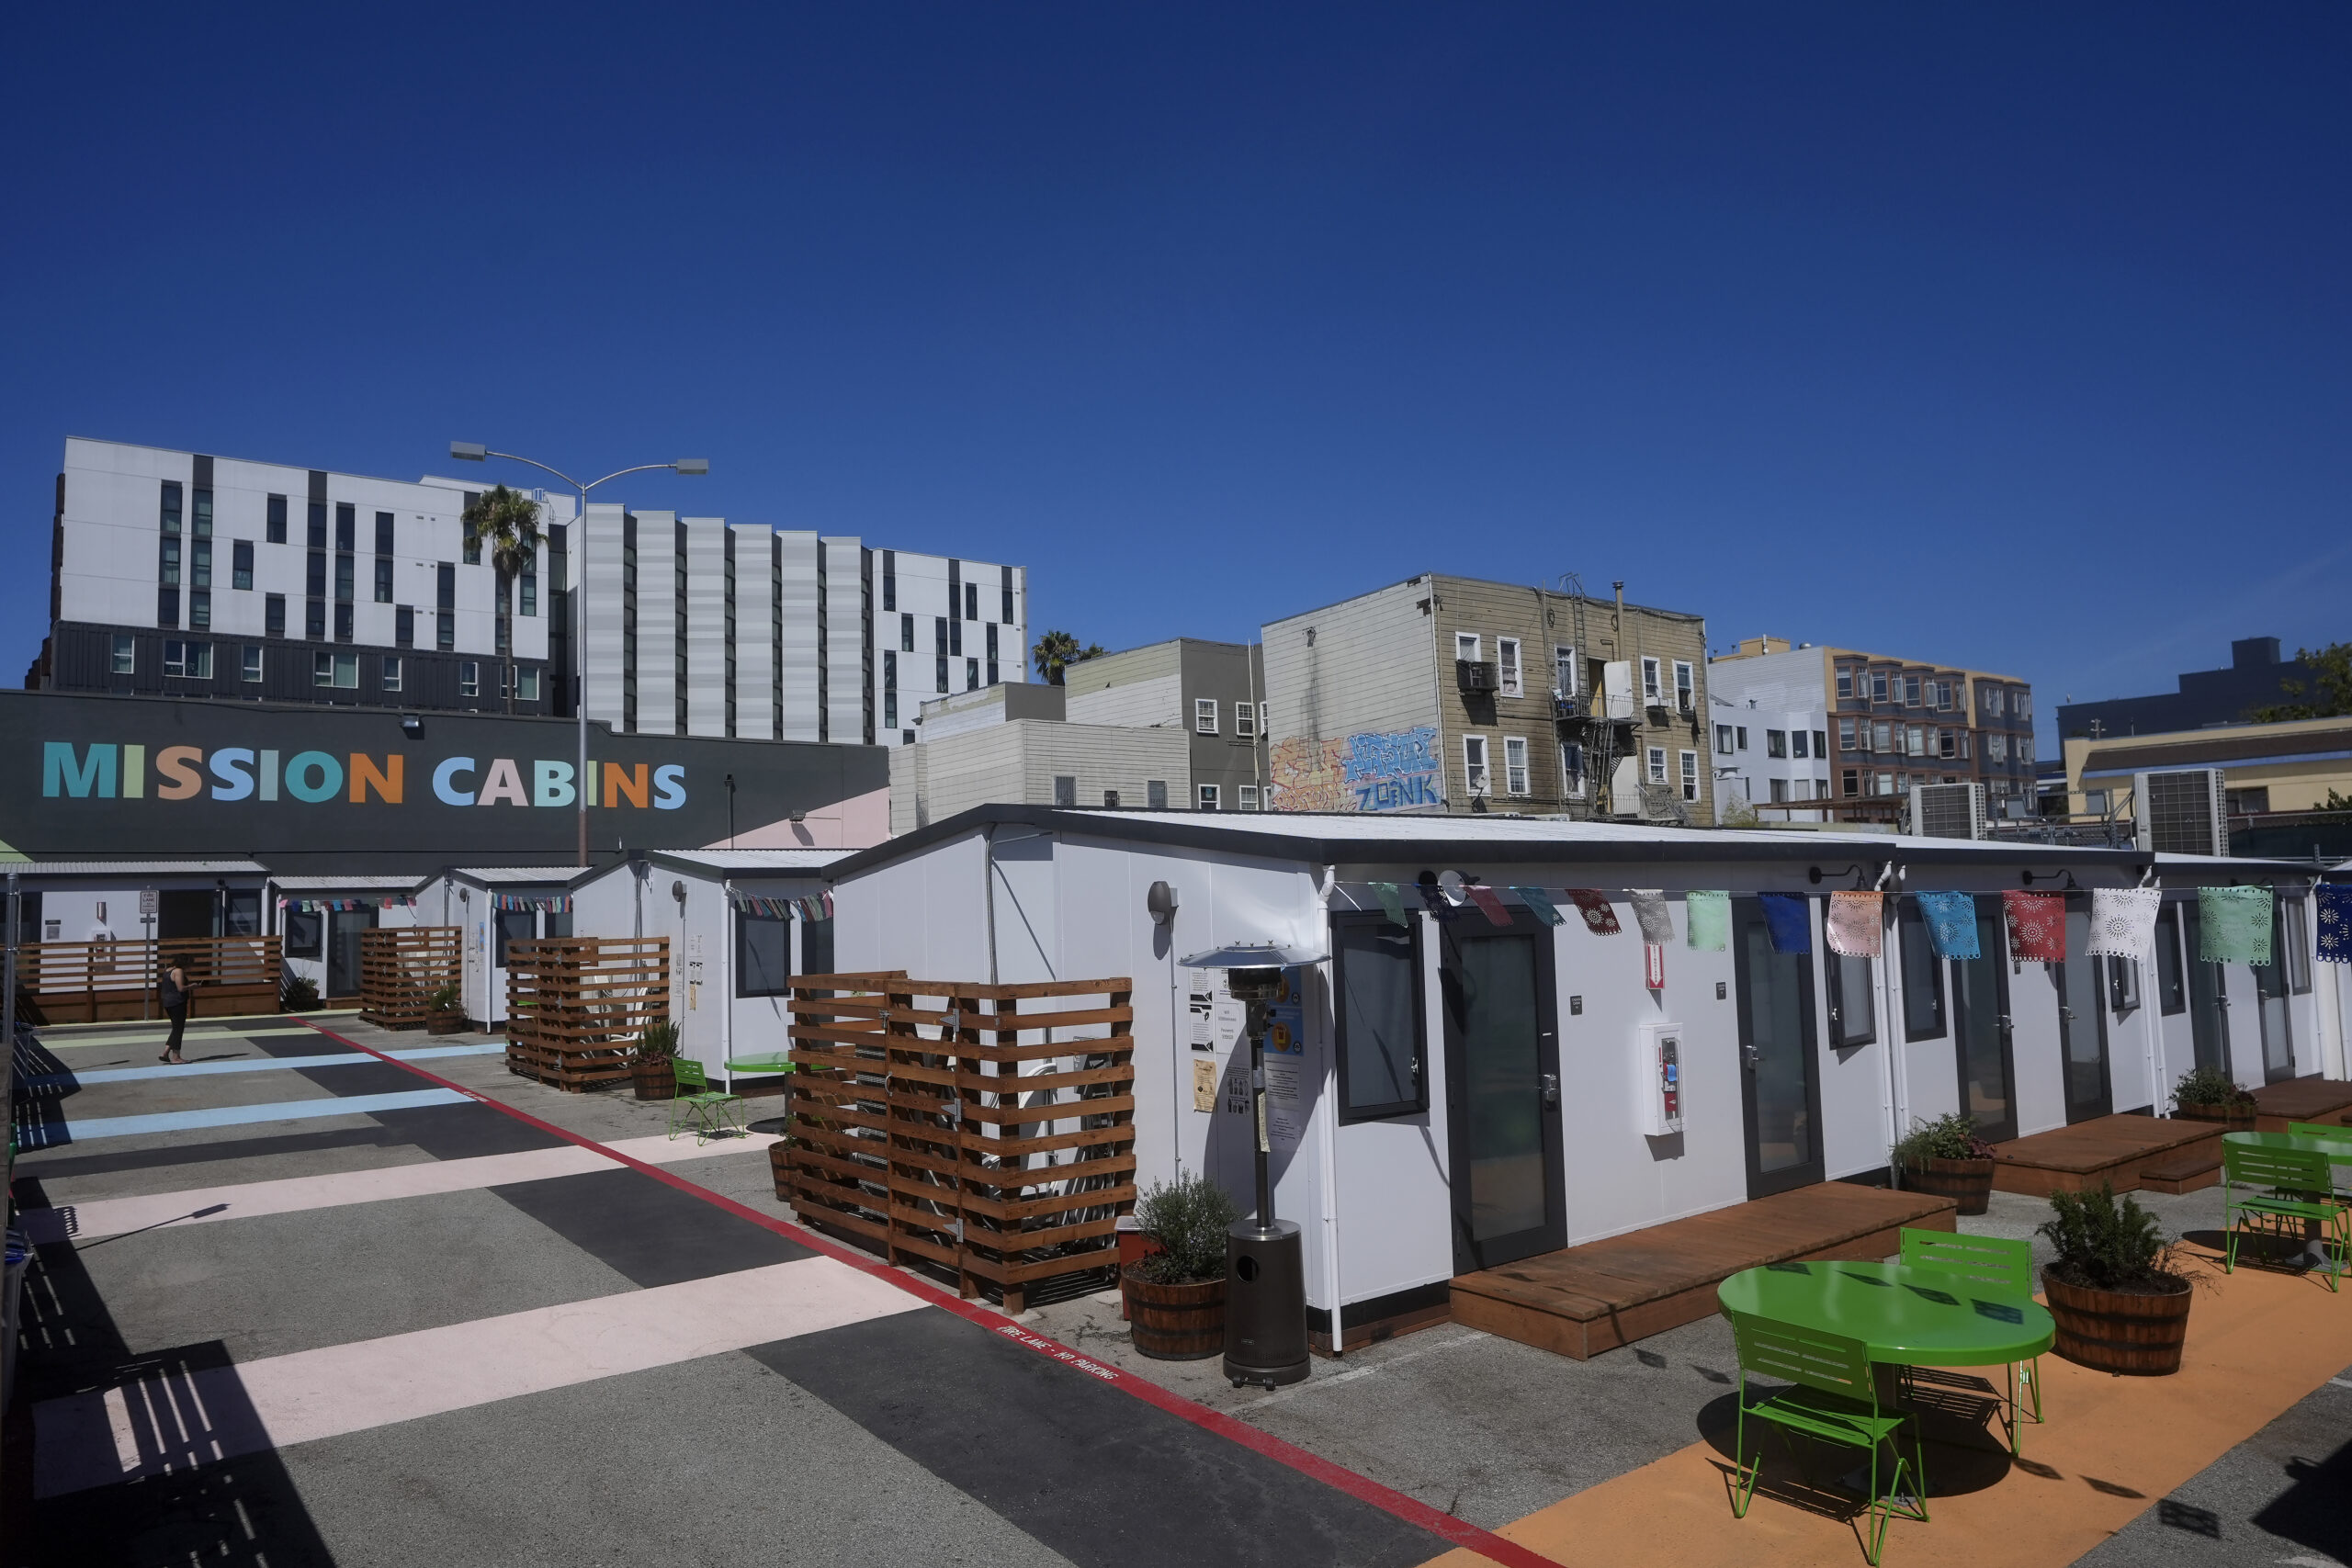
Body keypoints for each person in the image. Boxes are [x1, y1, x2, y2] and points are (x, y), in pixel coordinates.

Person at [158, 958, 195, 1064]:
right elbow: (180, 988)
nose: (190, 967)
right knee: (179, 1029)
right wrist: (192, 986)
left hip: (168, 1002)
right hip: (177, 1002)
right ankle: (176, 1057)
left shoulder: (168, 970)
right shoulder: (178, 971)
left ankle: (165, 1052)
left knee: (176, 1028)